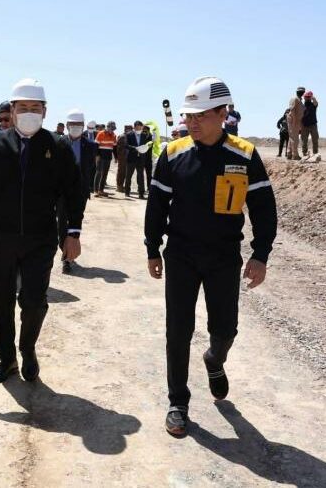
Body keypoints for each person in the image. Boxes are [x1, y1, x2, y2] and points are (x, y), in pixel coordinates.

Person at [144, 76, 277, 437]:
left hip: (223, 257)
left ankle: (214, 360)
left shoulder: (244, 155)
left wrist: (261, 254)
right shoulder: (173, 154)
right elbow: (157, 205)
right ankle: (178, 401)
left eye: (201, 115)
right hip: (181, 255)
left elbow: (263, 208)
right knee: (178, 330)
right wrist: (152, 247)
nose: (192, 122)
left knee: (225, 328)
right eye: (189, 115)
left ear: (223, 113)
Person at [0, 78, 84, 384]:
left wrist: (73, 233)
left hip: (40, 237)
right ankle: (7, 360)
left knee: (34, 301)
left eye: (35, 107)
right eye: (23, 107)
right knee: (1, 300)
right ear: (13, 110)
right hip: (2, 236)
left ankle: (27, 349)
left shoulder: (57, 146)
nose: (29, 112)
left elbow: (74, 192)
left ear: (44, 111)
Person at [58, 109, 96, 273]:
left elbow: (92, 168)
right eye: (72, 124)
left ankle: (70, 254)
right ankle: (65, 255)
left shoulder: (91, 146)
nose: (75, 127)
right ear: (67, 125)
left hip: (80, 191)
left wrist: (89, 187)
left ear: (83, 125)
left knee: (76, 221)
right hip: (61, 191)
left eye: (79, 124)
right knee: (62, 223)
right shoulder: (59, 143)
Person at [124, 120, 152, 199]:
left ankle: (141, 193)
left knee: (141, 176)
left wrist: (145, 147)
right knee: (129, 175)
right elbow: (126, 145)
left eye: (141, 127)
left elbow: (147, 144)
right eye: (138, 127)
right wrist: (135, 148)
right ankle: (127, 192)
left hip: (141, 158)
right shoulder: (129, 134)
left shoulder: (144, 135)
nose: (140, 129)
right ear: (135, 127)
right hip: (131, 157)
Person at [94, 121, 117, 197]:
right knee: (98, 172)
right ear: (108, 127)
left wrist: (116, 157)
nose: (112, 130)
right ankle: (96, 191)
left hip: (108, 157)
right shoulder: (100, 133)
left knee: (105, 174)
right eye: (111, 128)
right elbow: (96, 145)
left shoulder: (113, 135)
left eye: (113, 129)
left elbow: (114, 147)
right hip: (100, 156)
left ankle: (101, 190)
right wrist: (97, 155)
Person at [286, 87, 305, 159]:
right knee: (295, 138)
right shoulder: (294, 99)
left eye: (302, 91)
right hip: (293, 120)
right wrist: (294, 121)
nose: (301, 93)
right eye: (300, 91)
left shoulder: (300, 100)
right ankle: (295, 155)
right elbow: (292, 110)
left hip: (297, 121)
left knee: (292, 137)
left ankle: (289, 153)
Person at [301, 91, 319, 158]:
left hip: (313, 125)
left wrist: (312, 97)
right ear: (304, 97)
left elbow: (316, 103)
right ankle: (304, 153)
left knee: (315, 139)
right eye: (306, 97)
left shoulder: (313, 105)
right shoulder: (302, 106)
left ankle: (315, 153)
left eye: (309, 97)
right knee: (304, 140)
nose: (307, 98)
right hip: (304, 125)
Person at [115, 124, 132, 193]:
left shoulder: (125, 136)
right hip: (123, 157)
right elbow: (119, 148)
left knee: (124, 172)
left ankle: (120, 186)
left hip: (125, 156)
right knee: (122, 172)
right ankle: (119, 186)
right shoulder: (123, 136)